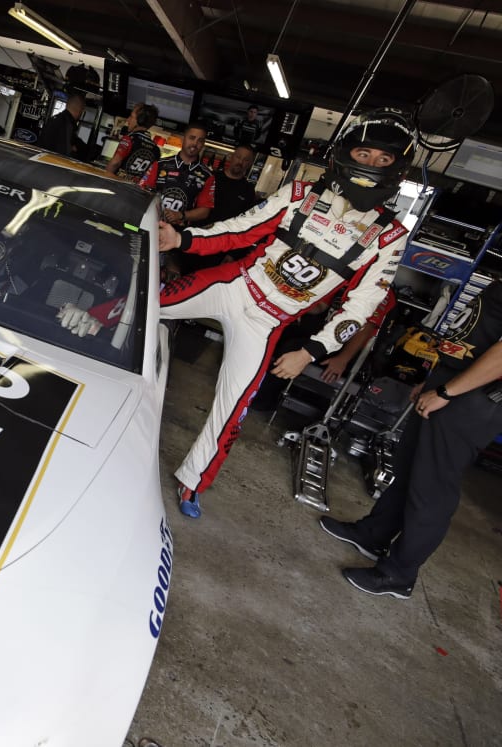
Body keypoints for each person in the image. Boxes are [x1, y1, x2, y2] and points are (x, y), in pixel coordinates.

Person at [153, 108, 417, 518]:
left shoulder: (389, 236)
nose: (372, 165)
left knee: (233, 408)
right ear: (345, 153)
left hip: (268, 322)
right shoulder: (299, 194)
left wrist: (309, 352)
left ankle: (193, 484)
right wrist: (182, 240)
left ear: (397, 170)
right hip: (233, 285)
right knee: (147, 302)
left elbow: (361, 308)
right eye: (364, 154)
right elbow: (239, 229)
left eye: (384, 160)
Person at [319, 280, 502, 598]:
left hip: (473, 400)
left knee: (432, 488)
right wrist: (437, 380)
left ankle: (399, 574)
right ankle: (374, 534)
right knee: (407, 467)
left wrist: (447, 392)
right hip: (453, 382)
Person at [249, 288, 397, 412]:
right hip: (324, 335)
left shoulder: (380, 285)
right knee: (277, 331)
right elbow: (320, 307)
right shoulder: (350, 273)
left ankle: (261, 401)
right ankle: (249, 385)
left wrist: (342, 359)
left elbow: (367, 328)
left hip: (347, 349)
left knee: (293, 347)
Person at [139, 122, 215, 229]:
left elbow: (204, 211)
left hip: (178, 233)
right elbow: (141, 192)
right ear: (183, 139)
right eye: (192, 138)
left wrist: (181, 215)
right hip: (151, 225)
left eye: (200, 140)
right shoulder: (160, 164)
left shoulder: (207, 175)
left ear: (203, 144)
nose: (195, 143)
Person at [105, 102, 161, 181]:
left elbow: (115, 162)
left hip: (118, 183)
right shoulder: (156, 150)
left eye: (131, 117)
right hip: (135, 187)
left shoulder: (129, 139)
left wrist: (104, 178)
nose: (128, 120)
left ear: (140, 120)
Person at [208, 144, 258, 224]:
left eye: (246, 160)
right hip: (200, 229)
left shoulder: (248, 190)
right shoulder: (211, 177)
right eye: (238, 157)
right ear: (231, 157)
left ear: (250, 164)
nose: (240, 162)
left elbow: (246, 219)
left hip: (226, 231)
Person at [37, 92, 87, 159]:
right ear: (80, 109)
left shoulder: (56, 119)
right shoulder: (66, 125)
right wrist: (73, 151)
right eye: (82, 109)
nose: (82, 112)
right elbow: (64, 154)